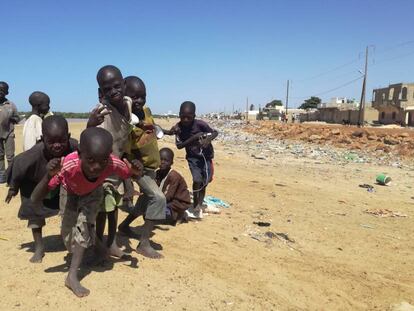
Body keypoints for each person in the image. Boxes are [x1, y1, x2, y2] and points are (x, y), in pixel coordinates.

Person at [31, 127, 143, 298]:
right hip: (70, 193)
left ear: (109, 156)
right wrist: (48, 175)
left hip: (93, 194)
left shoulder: (112, 162)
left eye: (102, 161)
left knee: (83, 230)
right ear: (80, 153)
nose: (97, 167)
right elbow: (34, 198)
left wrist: (136, 172)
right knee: (68, 238)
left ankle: (72, 276)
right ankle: (100, 249)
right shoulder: (68, 165)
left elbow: (128, 173)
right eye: (90, 159)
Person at [5, 115, 77, 262]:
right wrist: (13, 188)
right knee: (34, 214)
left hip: (59, 185)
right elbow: (17, 165)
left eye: (61, 141)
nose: (57, 145)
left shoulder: (74, 147)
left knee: (71, 208)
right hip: (33, 185)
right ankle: (39, 247)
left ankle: (73, 239)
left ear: (68, 136)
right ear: (43, 138)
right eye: (51, 142)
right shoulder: (31, 156)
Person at [118, 76, 166, 259]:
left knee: (145, 201)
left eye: (142, 96)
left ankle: (124, 226)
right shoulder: (125, 121)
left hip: (151, 166)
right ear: (125, 98)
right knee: (158, 198)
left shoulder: (147, 111)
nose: (139, 101)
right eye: (134, 97)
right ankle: (144, 244)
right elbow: (123, 150)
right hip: (139, 169)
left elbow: (151, 129)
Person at [87, 65, 132, 258]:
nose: (113, 91)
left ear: (124, 84)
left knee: (114, 208)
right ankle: (99, 244)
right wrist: (90, 123)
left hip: (119, 167)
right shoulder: (101, 113)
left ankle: (112, 242)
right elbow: (87, 139)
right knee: (102, 210)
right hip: (102, 168)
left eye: (117, 86)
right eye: (107, 89)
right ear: (100, 93)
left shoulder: (129, 103)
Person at [167, 101, 218, 219]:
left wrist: (207, 140)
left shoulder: (201, 125)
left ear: (194, 116)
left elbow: (215, 132)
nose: (185, 120)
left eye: (188, 117)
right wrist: (194, 138)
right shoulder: (178, 128)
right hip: (193, 158)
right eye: (182, 117)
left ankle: (200, 203)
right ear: (179, 115)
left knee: (205, 182)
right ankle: (195, 205)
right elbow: (179, 146)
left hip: (207, 157)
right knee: (197, 180)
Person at [155, 148, 191, 225]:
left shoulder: (174, 176)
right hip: (164, 201)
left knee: (154, 216)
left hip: (177, 203)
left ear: (171, 162)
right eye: (160, 159)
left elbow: (169, 196)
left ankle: (179, 215)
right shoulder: (157, 173)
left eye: (166, 160)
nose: (162, 162)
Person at [0, 82, 20, 183]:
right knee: (0, 155)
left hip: (9, 133)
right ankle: (2, 176)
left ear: (7, 92)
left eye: (3, 90)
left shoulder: (11, 105)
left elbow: (17, 118)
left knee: (10, 156)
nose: (0, 92)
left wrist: (13, 118)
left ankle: (11, 176)